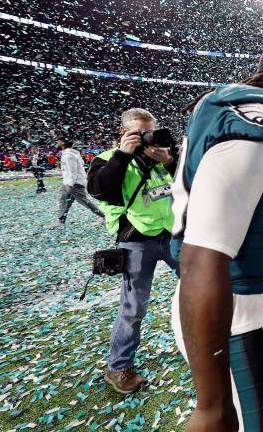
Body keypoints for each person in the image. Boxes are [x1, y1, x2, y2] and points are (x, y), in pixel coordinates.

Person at [171, 47, 263, 432]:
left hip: (236, 302)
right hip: (238, 311)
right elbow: (201, 257)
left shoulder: (243, 116)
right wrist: (211, 405)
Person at [86, 109, 179, 394]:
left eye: (150, 131)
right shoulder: (107, 159)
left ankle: (211, 344)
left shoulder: (161, 155)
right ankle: (118, 367)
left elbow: (194, 185)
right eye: (139, 133)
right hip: (136, 239)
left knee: (201, 288)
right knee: (133, 307)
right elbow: (102, 192)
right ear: (124, 133)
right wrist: (123, 156)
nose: (146, 138)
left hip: (173, 234)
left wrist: (172, 162)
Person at [54, 137, 104, 226]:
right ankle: (61, 221)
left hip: (74, 183)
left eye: (58, 140)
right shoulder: (71, 154)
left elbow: (73, 171)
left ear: (62, 143)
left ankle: (103, 216)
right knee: (64, 201)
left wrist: (70, 184)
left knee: (84, 201)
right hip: (70, 182)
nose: (57, 142)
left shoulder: (69, 155)